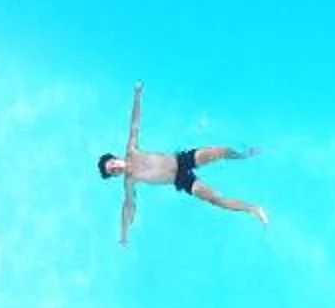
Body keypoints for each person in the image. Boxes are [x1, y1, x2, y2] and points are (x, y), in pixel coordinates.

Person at [98, 83, 264, 242]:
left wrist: (137, 95)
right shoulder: (129, 181)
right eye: (112, 171)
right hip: (181, 181)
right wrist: (124, 233)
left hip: (182, 160)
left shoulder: (131, 150)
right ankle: (252, 209)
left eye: (112, 164)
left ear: (115, 157)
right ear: (114, 176)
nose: (115, 168)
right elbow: (128, 206)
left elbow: (134, 124)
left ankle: (242, 155)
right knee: (215, 199)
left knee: (219, 151)